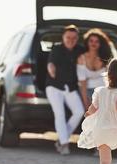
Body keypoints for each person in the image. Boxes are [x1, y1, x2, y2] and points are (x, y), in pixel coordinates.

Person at [45, 25, 85, 155]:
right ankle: (64, 144)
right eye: (68, 37)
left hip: (70, 87)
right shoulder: (57, 49)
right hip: (54, 86)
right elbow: (51, 63)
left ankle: (62, 139)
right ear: (63, 37)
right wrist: (51, 68)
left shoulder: (80, 50)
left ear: (77, 38)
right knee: (60, 114)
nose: (71, 40)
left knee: (79, 111)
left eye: (74, 38)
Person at [77, 28, 112, 110]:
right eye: (91, 41)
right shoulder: (81, 58)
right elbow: (82, 82)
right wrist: (85, 101)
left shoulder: (105, 58)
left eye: (97, 41)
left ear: (100, 44)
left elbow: (110, 79)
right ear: (87, 42)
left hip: (104, 91)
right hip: (87, 90)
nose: (93, 43)